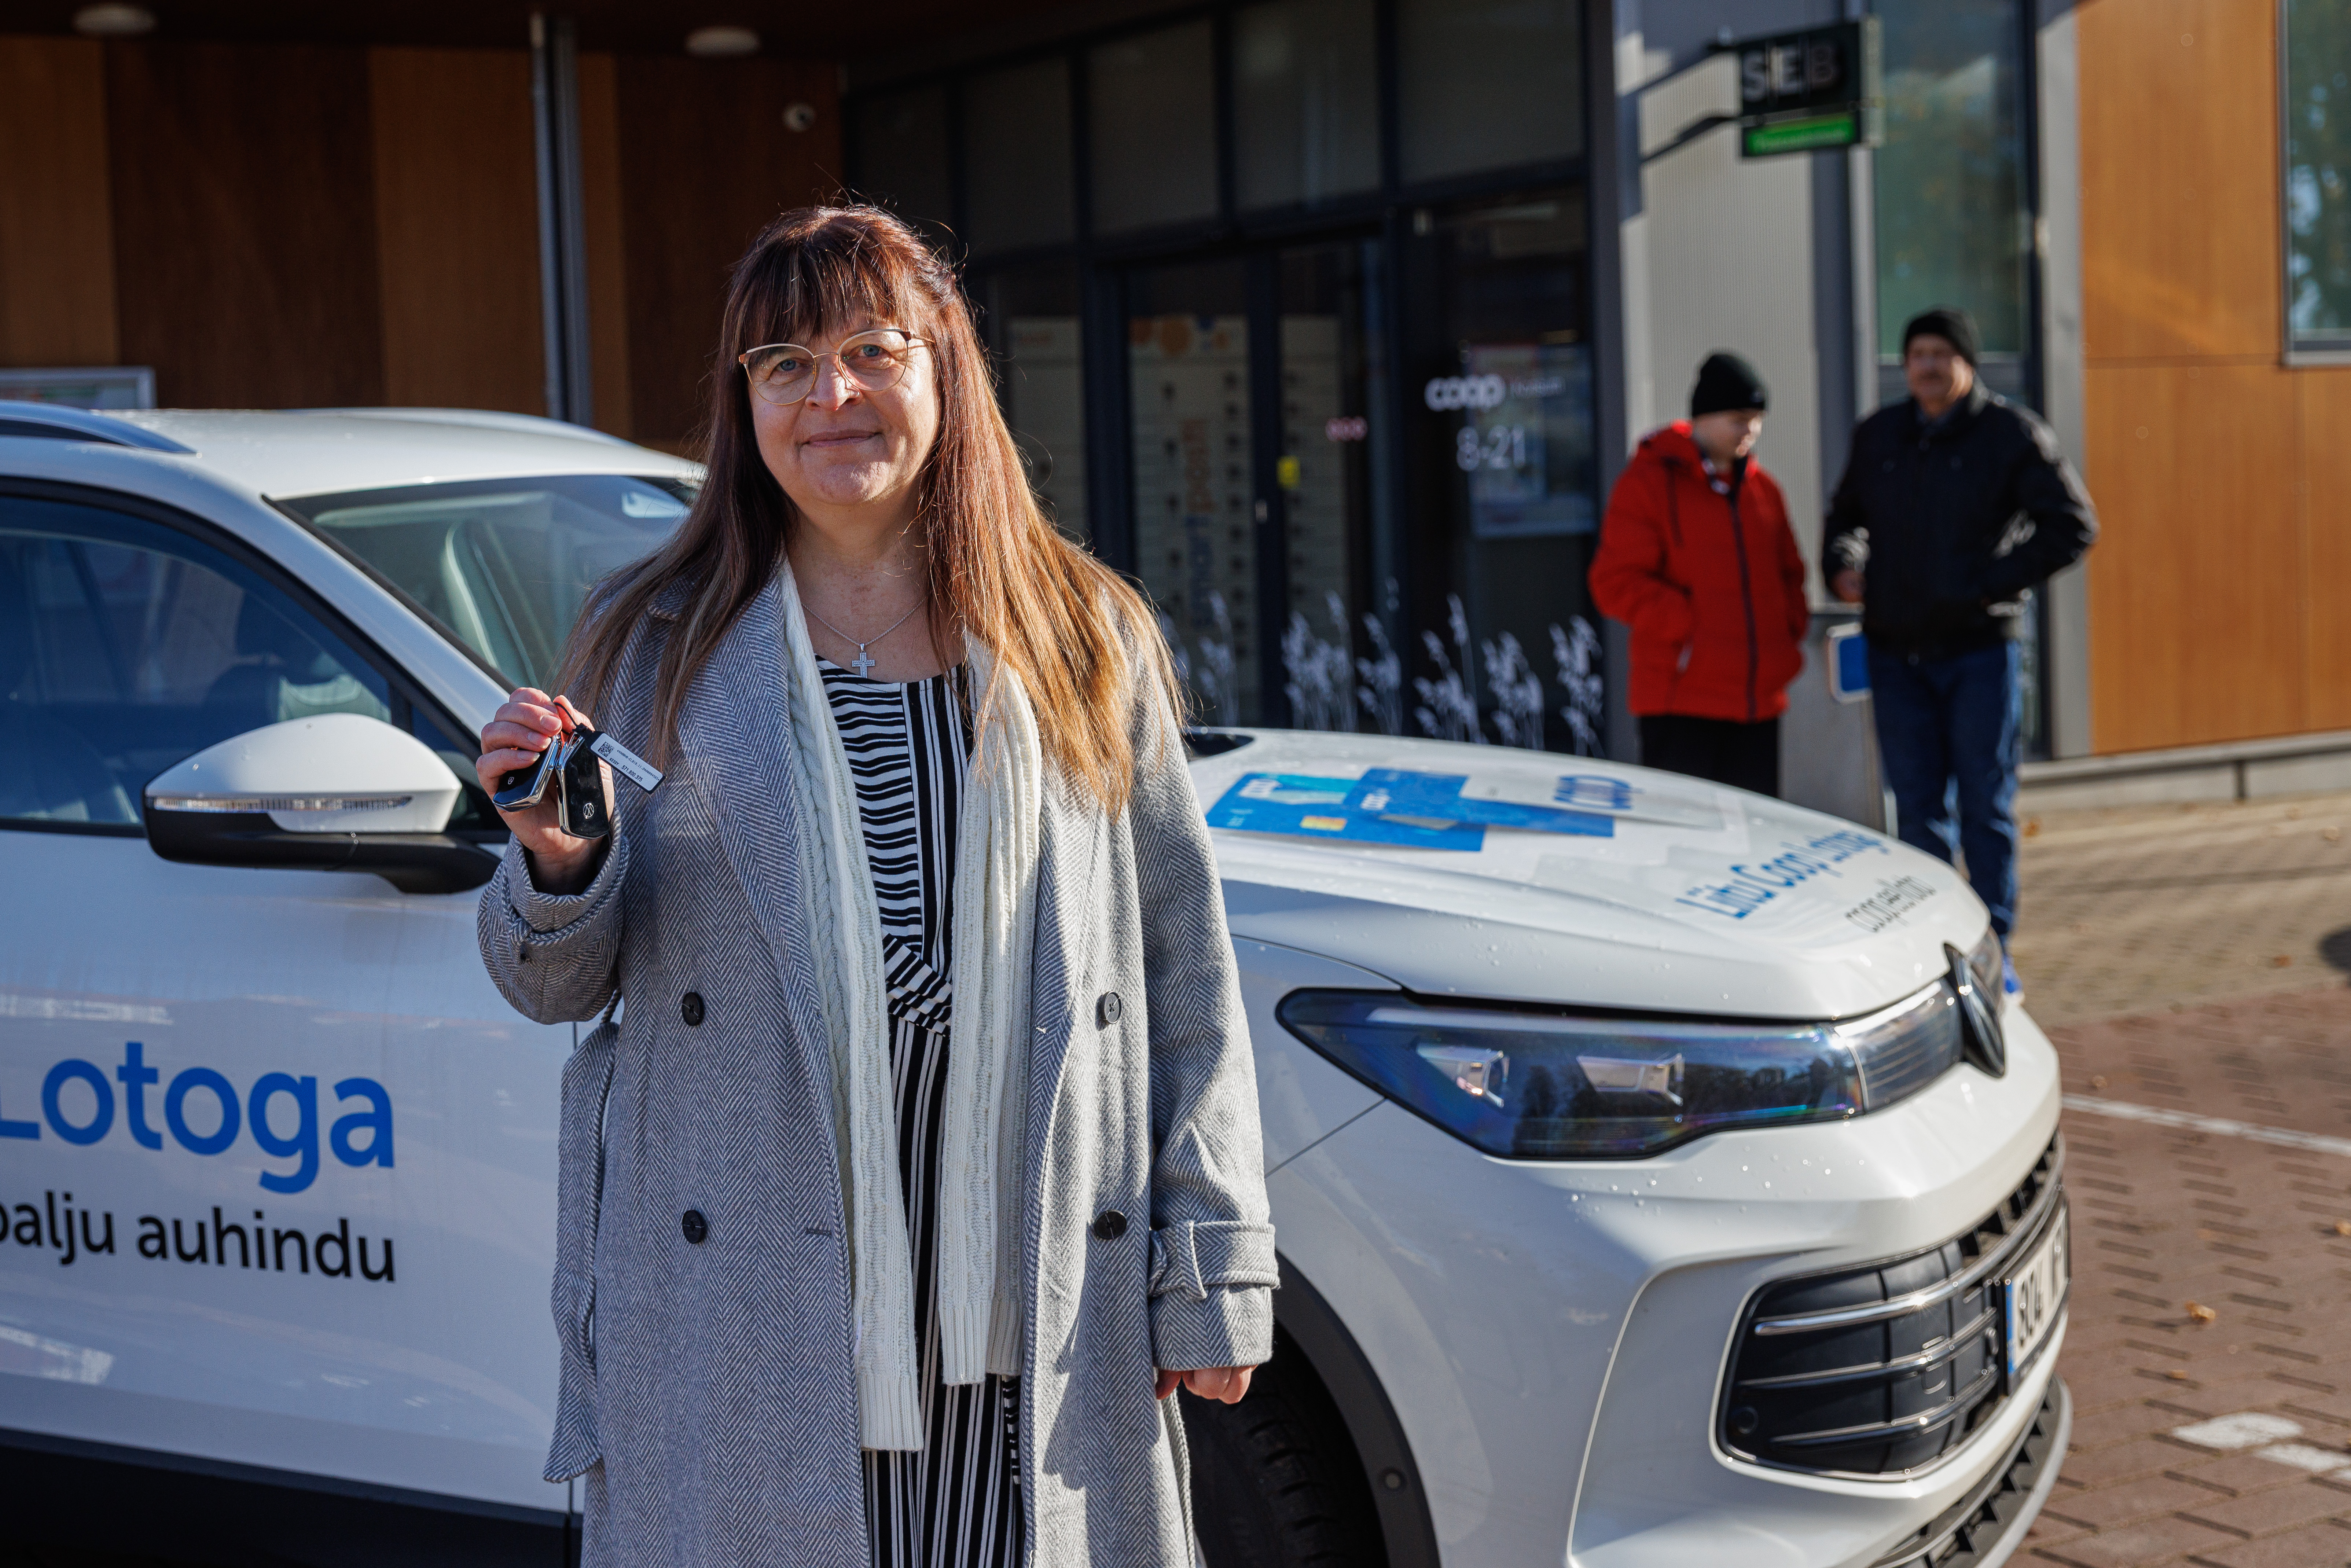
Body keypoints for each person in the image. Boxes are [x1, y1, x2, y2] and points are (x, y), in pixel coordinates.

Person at [473, 206, 1274, 1568]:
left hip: (1033, 1299)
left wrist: (1216, 1271)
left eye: (867, 350)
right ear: (745, 406)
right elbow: (556, 981)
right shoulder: (652, 641)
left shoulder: (1083, 632)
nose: (829, 396)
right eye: (783, 362)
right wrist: (559, 859)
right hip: (747, 1305)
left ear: (944, 369)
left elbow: (1181, 960)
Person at [1823, 306, 2097, 980]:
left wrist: (1986, 584)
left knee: (1985, 806)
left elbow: (2071, 525)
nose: (1925, 365)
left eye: (1940, 354)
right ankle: (1933, 948)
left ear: (1966, 363)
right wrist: (1844, 560)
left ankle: (1992, 948)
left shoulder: (2009, 434)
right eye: (1915, 353)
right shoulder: (1879, 434)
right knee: (1916, 811)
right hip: (1894, 654)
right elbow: (1846, 519)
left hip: (1979, 653)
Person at [1590, 351, 1808, 796]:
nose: (1749, 430)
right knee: (1685, 839)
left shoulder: (1763, 491)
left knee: (1754, 835)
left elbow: (1789, 573)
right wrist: (1690, 626)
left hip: (1757, 700)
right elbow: (1614, 583)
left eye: (1756, 419)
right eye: (1737, 419)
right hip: (1681, 700)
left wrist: (1785, 632)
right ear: (1702, 419)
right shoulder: (1648, 483)